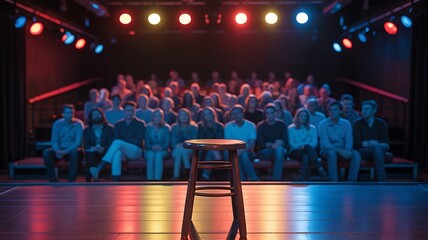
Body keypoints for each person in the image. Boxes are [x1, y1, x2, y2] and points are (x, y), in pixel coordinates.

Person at [90, 101, 145, 181]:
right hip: (123, 152)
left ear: (135, 111)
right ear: (124, 111)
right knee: (117, 153)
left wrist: (122, 142)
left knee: (118, 143)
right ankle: (116, 180)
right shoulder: (118, 124)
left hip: (136, 151)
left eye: (132, 111)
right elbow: (116, 138)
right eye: (128, 110)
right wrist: (124, 142)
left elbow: (138, 140)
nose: (130, 113)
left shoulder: (140, 124)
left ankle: (99, 167)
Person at [318, 101, 361, 182]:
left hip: (343, 149)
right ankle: (334, 182)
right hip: (327, 151)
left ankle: (351, 181)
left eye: (335, 110)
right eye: (331, 110)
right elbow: (325, 144)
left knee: (356, 154)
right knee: (332, 153)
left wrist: (347, 150)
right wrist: (340, 151)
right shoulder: (323, 124)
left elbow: (349, 140)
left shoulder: (346, 123)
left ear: (340, 111)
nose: (333, 112)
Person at [43, 104, 84, 182]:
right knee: (46, 153)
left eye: (72, 113)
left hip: (72, 149)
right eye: (68, 113)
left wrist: (66, 151)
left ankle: (71, 179)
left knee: (74, 152)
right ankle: (52, 179)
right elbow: (54, 140)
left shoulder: (78, 124)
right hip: (60, 148)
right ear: (63, 114)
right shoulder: (57, 124)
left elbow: (78, 142)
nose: (70, 115)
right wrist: (57, 150)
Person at [288, 108, 329, 181]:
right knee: (307, 148)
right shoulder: (291, 128)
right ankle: (320, 169)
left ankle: (303, 178)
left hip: (308, 151)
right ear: (297, 117)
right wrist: (303, 146)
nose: (303, 118)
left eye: (305, 116)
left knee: (306, 156)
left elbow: (315, 143)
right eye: (301, 116)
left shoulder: (312, 128)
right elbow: (292, 144)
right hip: (295, 151)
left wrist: (304, 146)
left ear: (308, 117)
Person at [353, 100, 390, 181]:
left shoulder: (381, 123)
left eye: (367, 109)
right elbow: (357, 143)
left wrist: (373, 143)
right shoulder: (357, 124)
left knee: (379, 147)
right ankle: (382, 178)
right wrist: (372, 143)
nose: (364, 111)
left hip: (379, 147)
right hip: (363, 150)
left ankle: (381, 178)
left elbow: (385, 140)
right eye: (363, 109)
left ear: (374, 111)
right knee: (377, 148)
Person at [225, 105, 259, 181]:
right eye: (233, 114)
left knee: (243, 155)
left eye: (237, 113)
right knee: (236, 156)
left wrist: (241, 151)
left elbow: (252, 144)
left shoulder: (251, 125)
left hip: (247, 151)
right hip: (232, 151)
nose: (235, 116)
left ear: (242, 114)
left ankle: (242, 181)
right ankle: (250, 179)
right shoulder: (228, 127)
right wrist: (237, 151)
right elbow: (228, 144)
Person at [257, 104, 289, 180]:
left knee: (279, 150)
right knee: (278, 150)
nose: (270, 115)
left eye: (272, 113)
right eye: (267, 113)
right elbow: (260, 142)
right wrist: (272, 145)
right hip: (265, 152)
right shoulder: (261, 126)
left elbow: (285, 140)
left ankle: (276, 179)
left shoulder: (282, 124)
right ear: (265, 115)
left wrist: (276, 144)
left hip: (280, 151)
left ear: (276, 113)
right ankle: (277, 179)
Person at [82, 108, 114, 182]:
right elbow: (86, 145)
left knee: (91, 155)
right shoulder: (87, 130)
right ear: (91, 117)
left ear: (102, 116)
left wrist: (103, 148)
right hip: (92, 151)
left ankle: (93, 178)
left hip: (105, 152)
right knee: (90, 153)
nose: (97, 116)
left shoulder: (109, 129)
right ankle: (91, 180)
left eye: (98, 114)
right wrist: (94, 148)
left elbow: (111, 143)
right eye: (94, 114)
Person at [197, 107, 225, 180]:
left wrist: (215, 150)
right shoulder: (200, 126)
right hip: (203, 150)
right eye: (205, 114)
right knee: (210, 152)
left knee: (211, 153)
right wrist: (212, 150)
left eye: (209, 113)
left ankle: (205, 176)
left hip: (218, 150)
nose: (207, 116)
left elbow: (220, 141)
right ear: (203, 116)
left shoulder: (219, 126)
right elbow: (201, 141)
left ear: (213, 115)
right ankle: (205, 176)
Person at [171, 109, 198, 180]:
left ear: (189, 116)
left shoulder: (193, 127)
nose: (184, 117)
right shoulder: (174, 127)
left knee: (182, 151)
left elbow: (194, 141)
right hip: (176, 149)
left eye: (185, 115)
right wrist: (178, 146)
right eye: (182, 115)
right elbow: (173, 142)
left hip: (190, 149)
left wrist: (183, 145)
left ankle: (176, 176)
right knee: (180, 151)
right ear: (178, 117)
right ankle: (188, 173)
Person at [145, 109, 171, 180]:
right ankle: (150, 180)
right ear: (152, 117)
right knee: (151, 154)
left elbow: (167, 143)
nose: (157, 118)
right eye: (155, 116)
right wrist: (152, 147)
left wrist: (161, 147)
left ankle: (157, 180)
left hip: (164, 150)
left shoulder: (167, 128)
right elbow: (146, 143)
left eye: (160, 116)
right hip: (150, 149)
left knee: (158, 155)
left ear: (162, 117)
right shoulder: (148, 127)